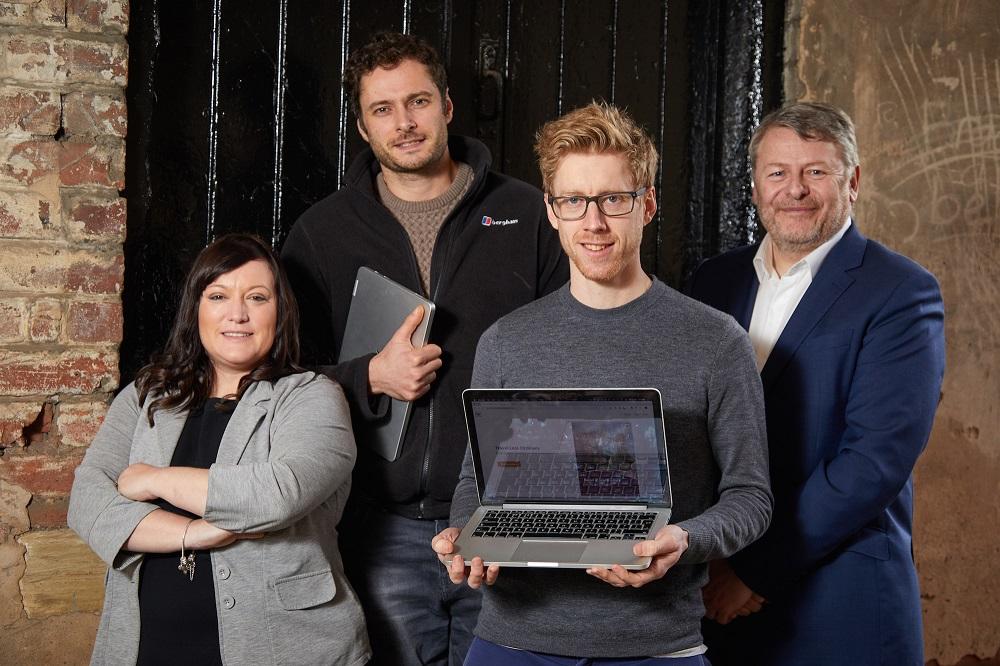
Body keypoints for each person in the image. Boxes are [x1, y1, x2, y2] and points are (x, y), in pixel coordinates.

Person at [431, 101, 772, 665]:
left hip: (657, 645)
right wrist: (466, 537)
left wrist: (683, 540)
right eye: (574, 201)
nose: (594, 222)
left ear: (648, 205)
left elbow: (750, 497)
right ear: (552, 210)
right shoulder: (505, 342)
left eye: (615, 199)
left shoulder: (716, 342)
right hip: (512, 641)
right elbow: (476, 482)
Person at [281, 31, 567, 665]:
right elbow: (281, 380)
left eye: (418, 102)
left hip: (506, 519)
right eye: (383, 109)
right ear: (362, 125)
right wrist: (367, 377)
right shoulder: (321, 232)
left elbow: (575, 351)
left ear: (448, 106)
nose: (404, 123)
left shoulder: (528, 214)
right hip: (381, 527)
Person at [688, 102, 946, 666]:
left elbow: (872, 462)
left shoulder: (901, 293)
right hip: (711, 594)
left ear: (852, 183)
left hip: (839, 601)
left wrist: (752, 571)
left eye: (816, 172)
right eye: (778, 172)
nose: (795, 190)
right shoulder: (713, 281)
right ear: (755, 186)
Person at [68, 234, 369, 666]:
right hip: (145, 648)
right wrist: (195, 533)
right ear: (196, 310)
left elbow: (277, 494)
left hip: (286, 650)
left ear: (280, 311)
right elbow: (86, 501)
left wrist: (152, 478)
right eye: (218, 295)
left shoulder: (312, 397)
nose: (238, 314)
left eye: (258, 297)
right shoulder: (147, 395)